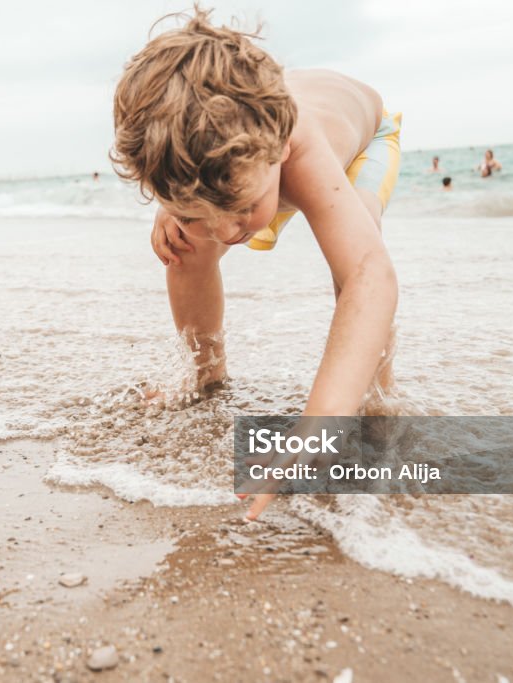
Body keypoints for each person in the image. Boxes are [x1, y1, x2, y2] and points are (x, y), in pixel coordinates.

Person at [112, 8, 400, 520]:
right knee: (187, 246)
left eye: (243, 210)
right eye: (197, 211)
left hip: (364, 141)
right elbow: (195, 174)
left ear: (282, 147)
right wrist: (177, 208)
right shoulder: (197, 154)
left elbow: (369, 276)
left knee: (356, 260)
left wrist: (317, 424)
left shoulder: (299, 146)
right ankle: (206, 375)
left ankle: (377, 397)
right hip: (242, 156)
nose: (229, 232)